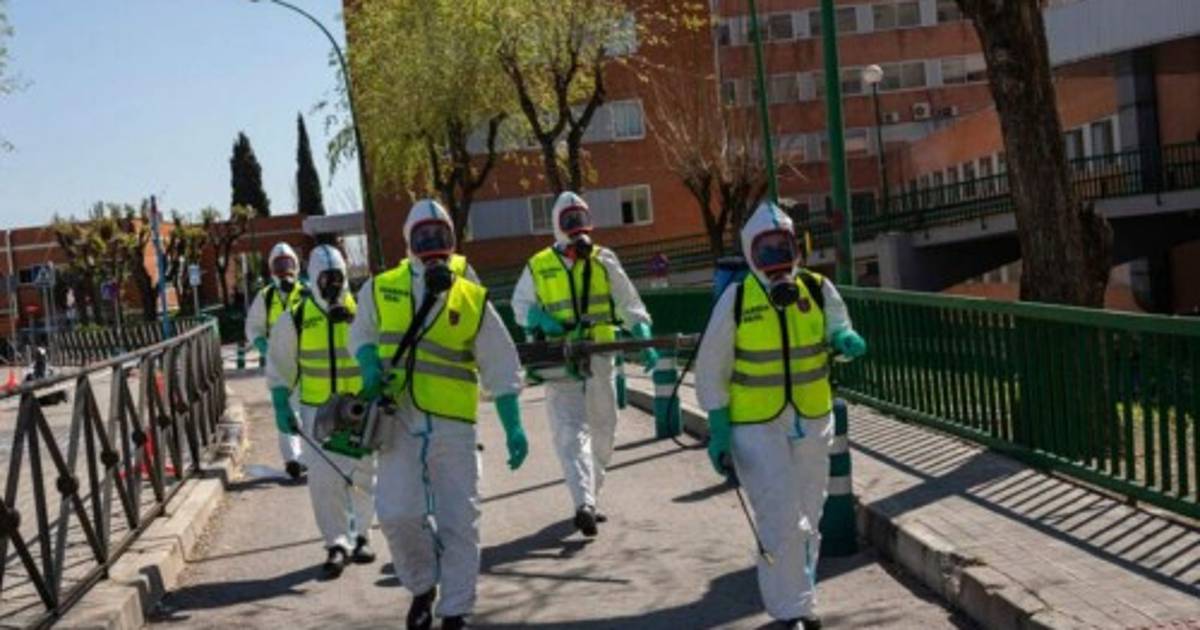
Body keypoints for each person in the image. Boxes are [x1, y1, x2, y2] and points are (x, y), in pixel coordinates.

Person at [350, 199, 528, 630]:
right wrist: (369, 363)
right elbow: (361, 333)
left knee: (459, 520)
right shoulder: (381, 288)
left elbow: (501, 362)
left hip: (453, 424)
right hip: (397, 420)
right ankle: (422, 585)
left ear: (452, 239)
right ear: (408, 242)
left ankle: (455, 610)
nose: (432, 245)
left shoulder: (470, 295)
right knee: (396, 514)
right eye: (423, 237)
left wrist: (513, 425)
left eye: (440, 235)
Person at [693, 202, 867, 630]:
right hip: (755, 426)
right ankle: (792, 610)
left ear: (797, 247)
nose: (776, 259)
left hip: (813, 417)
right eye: (765, 249)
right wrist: (718, 428)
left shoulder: (818, 289)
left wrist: (845, 339)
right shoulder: (737, 299)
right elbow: (711, 367)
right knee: (781, 517)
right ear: (750, 253)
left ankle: (802, 601)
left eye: (783, 247)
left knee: (810, 515)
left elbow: (838, 326)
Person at [510, 191, 658, 537]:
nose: (577, 228)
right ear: (558, 226)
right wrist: (539, 318)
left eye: (581, 220)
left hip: (600, 357)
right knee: (570, 433)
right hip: (559, 362)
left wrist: (643, 337)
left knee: (605, 429)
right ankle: (584, 504)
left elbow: (628, 302)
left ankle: (591, 495)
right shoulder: (538, 265)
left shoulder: (604, 259)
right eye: (570, 221)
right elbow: (519, 305)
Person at [265, 244, 377, 579]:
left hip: (360, 408)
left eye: (337, 277)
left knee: (364, 475)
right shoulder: (295, 318)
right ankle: (336, 542)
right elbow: (280, 365)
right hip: (318, 413)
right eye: (325, 278)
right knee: (324, 482)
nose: (332, 285)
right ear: (313, 278)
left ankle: (362, 536)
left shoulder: (364, 312)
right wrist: (281, 403)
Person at [245, 242, 307, 479]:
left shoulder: (306, 292)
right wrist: (265, 347)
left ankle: (307, 456)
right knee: (284, 409)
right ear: (271, 270)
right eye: (279, 266)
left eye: (288, 264)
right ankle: (292, 459)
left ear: (296, 266)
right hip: (279, 362)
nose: (284, 271)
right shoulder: (266, 296)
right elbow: (253, 327)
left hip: (306, 359)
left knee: (307, 409)